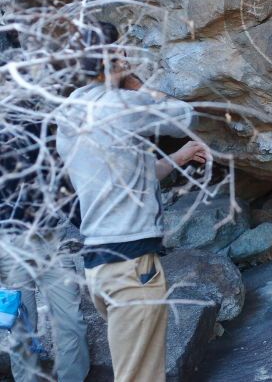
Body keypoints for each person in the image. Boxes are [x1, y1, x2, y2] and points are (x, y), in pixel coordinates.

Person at [55, 22, 209, 382]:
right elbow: (188, 115)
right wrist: (135, 84)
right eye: (121, 51)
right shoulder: (123, 104)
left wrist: (180, 158)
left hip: (100, 267)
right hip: (132, 265)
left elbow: (130, 177)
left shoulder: (70, 110)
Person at [0, 29, 90, 382]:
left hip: (44, 237)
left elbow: (61, 179)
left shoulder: (39, 121)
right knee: (26, 326)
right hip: (15, 242)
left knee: (62, 320)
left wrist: (85, 224)